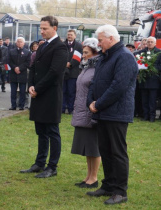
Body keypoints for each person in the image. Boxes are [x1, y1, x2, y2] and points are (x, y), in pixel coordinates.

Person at [86, 25, 138, 205]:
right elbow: (94, 81)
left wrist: (97, 104)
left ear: (111, 38)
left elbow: (119, 87)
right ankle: (108, 185)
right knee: (105, 151)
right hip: (102, 112)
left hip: (117, 113)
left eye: (100, 40)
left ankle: (120, 191)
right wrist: (90, 102)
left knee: (117, 152)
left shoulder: (124, 56)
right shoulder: (105, 56)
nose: (98, 44)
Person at [20, 16, 68, 178]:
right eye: (41, 28)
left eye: (45, 28)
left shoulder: (60, 47)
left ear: (55, 28)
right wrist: (31, 86)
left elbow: (55, 72)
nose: (42, 31)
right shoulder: (42, 46)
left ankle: (52, 166)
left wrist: (38, 88)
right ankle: (39, 163)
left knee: (52, 131)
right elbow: (33, 67)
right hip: (38, 93)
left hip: (51, 95)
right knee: (41, 130)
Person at [71, 38, 100, 189]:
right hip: (82, 110)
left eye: (86, 52)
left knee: (93, 147)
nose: (83, 55)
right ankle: (88, 176)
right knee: (87, 147)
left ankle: (94, 178)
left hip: (91, 111)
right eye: (83, 52)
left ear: (95, 53)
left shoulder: (97, 68)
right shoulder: (86, 67)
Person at [134, 36, 161, 122]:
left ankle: (152, 117)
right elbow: (136, 61)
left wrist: (152, 68)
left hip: (154, 80)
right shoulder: (141, 52)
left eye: (151, 42)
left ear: (155, 43)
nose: (149, 43)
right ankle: (145, 116)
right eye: (148, 42)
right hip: (143, 80)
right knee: (144, 100)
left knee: (152, 100)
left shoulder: (159, 53)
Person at [62, 29, 83, 114]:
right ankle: (62, 109)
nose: (69, 36)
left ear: (75, 36)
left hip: (73, 73)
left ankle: (71, 109)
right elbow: (59, 56)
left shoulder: (78, 45)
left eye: (71, 35)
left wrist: (70, 64)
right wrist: (64, 64)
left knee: (71, 92)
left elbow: (78, 58)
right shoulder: (62, 45)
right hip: (63, 72)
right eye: (68, 34)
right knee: (63, 91)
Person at [8, 37, 31, 110]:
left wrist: (20, 68)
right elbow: (9, 61)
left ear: (24, 43)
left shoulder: (27, 52)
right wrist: (14, 67)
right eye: (18, 41)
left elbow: (28, 62)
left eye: (21, 42)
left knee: (22, 91)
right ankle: (13, 105)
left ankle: (22, 105)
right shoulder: (11, 51)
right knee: (13, 91)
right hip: (13, 73)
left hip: (22, 73)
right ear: (16, 43)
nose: (19, 43)